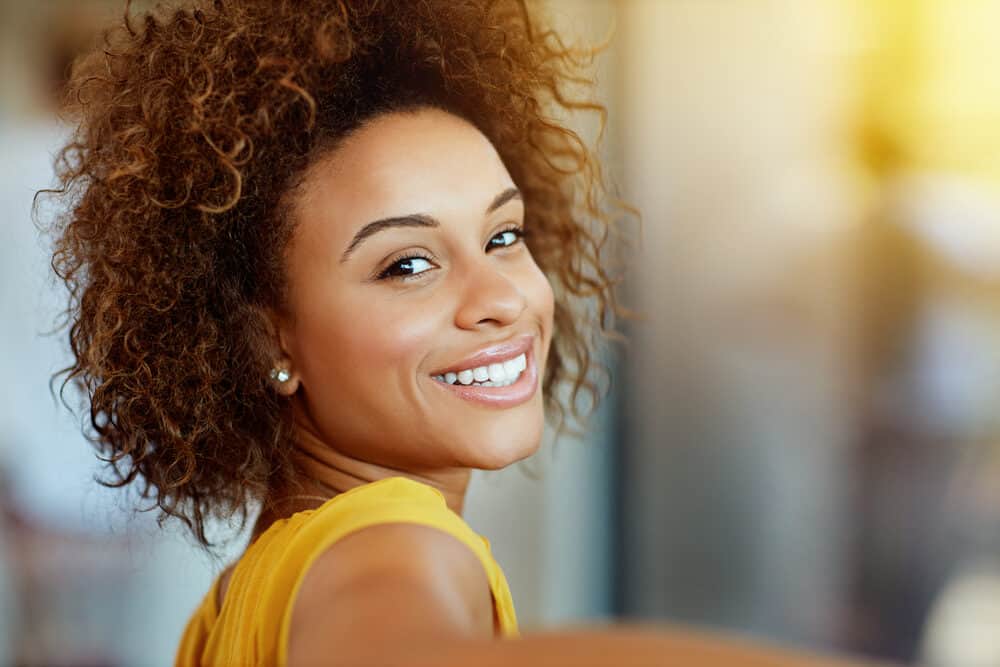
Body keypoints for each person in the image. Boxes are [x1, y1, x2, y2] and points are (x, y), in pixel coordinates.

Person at [45, 0, 881, 664]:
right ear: (267, 343)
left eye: (503, 236)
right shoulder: (389, 540)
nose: (501, 299)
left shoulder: (259, 578)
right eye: (407, 264)